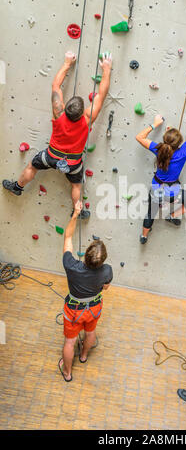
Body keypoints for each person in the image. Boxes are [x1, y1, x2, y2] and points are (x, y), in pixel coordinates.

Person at [2, 51, 113, 220]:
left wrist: (67, 62)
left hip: (51, 156)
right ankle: (78, 211)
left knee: (32, 166)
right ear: (82, 111)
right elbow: (102, 95)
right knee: (76, 184)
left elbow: (55, 86)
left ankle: (17, 187)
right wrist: (106, 69)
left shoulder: (58, 112)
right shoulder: (87, 119)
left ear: (65, 106)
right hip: (72, 163)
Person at [135, 93, 186, 244]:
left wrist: (155, 124)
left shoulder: (159, 148)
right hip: (173, 194)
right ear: (179, 143)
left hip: (156, 189)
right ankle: (172, 216)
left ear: (165, 140)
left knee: (150, 213)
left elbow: (139, 137)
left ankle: (144, 236)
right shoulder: (183, 152)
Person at [58, 200, 113, 382]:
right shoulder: (107, 271)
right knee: (90, 333)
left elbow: (67, 238)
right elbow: (105, 287)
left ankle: (67, 373)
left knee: (70, 341)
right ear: (102, 260)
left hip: (74, 311)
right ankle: (83, 356)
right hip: (94, 308)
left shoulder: (71, 265)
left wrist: (75, 214)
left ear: (86, 253)